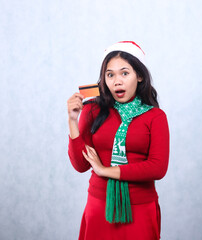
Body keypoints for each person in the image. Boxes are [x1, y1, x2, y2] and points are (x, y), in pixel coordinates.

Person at [67, 41, 169, 240]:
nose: (117, 81)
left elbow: (158, 168)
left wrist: (105, 170)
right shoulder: (92, 111)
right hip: (99, 207)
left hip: (140, 209)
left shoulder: (155, 117)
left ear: (139, 76)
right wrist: (72, 120)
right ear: (104, 79)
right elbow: (80, 165)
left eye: (124, 73)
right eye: (110, 74)